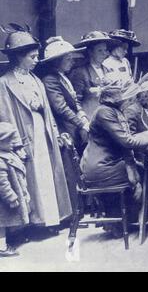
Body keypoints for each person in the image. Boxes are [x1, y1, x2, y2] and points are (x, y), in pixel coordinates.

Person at [0, 24, 72, 229]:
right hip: (24, 135)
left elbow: (47, 110)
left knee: (47, 173)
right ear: (18, 57)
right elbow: (5, 114)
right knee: (31, 178)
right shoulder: (5, 83)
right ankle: (34, 222)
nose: (36, 60)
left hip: (42, 131)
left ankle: (51, 219)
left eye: (36, 56)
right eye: (32, 57)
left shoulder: (36, 80)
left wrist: (55, 132)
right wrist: (15, 144)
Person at [80, 84, 148, 218]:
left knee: (145, 168)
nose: (130, 102)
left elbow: (126, 142)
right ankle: (133, 217)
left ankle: (128, 217)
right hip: (101, 168)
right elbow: (127, 142)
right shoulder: (105, 112)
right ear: (116, 100)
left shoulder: (112, 111)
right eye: (127, 100)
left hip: (105, 164)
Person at [41, 36, 89, 152]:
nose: (72, 62)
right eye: (68, 59)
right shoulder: (50, 80)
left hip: (72, 125)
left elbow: (74, 98)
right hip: (63, 127)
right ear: (57, 61)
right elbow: (61, 108)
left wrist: (82, 114)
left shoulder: (62, 76)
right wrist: (81, 124)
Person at [69, 31, 119, 118]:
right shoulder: (80, 72)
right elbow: (76, 101)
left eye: (105, 50)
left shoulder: (108, 70)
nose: (104, 53)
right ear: (90, 52)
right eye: (100, 50)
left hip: (107, 115)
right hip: (90, 115)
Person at [0, 122, 30, 257]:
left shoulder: (8, 154)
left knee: (9, 220)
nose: (13, 142)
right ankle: (2, 247)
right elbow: (2, 183)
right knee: (2, 224)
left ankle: (9, 240)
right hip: (3, 201)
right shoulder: (1, 160)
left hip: (10, 196)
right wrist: (11, 197)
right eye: (9, 140)